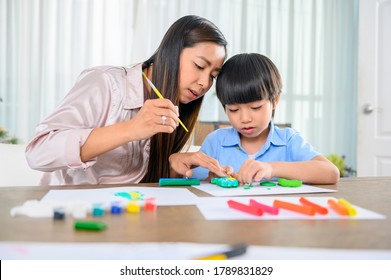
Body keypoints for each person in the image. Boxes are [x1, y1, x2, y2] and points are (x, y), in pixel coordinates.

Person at [26, 15, 228, 185]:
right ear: (172, 53)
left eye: (213, 75)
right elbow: (38, 153)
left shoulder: (178, 108)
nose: (204, 83)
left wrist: (174, 166)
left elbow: (140, 181)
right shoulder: (106, 83)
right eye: (200, 66)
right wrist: (131, 129)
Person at [191, 53, 340, 185]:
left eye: (255, 108)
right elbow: (192, 181)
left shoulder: (288, 141)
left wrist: (272, 168)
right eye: (234, 110)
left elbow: (331, 173)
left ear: (275, 101)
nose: (245, 118)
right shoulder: (216, 142)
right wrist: (210, 180)